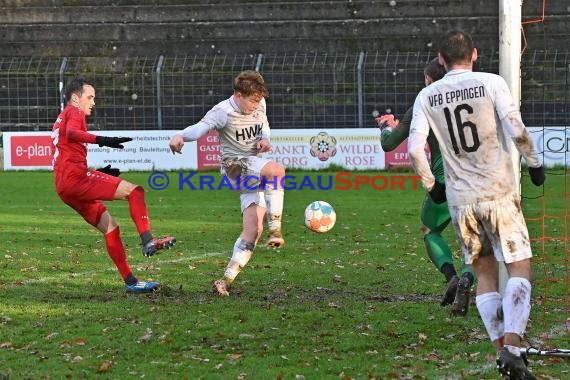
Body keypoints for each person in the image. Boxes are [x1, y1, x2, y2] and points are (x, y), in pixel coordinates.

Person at [408, 30, 544, 379]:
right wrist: (535, 163)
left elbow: (413, 149)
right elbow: (516, 129)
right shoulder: (491, 81)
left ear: (441, 59)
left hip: (460, 201)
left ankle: (503, 353)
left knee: (484, 273)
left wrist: (431, 184)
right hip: (498, 191)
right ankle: (513, 346)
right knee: (519, 266)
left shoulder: (428, 95)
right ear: (475, 54)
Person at [51, 77, 176, 293]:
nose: (93, 102)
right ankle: (148, 240)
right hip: (76, 179)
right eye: (89, 97)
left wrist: (98, 173)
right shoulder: (74, 111)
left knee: (111, 228)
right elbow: (72, 134)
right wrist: (103, 140)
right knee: (135, 191)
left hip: (65, 186)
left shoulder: (61, 118)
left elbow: (66, 151)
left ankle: (131, 282)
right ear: (75, 98)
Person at [169, 70, 285, 296]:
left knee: (252, 230)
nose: (255, 105)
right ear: (238, 95)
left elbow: (264, 125)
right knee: (276, 170)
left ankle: (226, 280)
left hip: (253, 167)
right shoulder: (223, 111)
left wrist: (265, 139)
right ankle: (277, 229)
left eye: (258, 101)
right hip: (235, 167)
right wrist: (180, 135)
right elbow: (200, 128)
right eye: (252, 101)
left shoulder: (258, 105)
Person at [376, 58, 476, 316]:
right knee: (475, 236)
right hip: (479, 176)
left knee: (431, 230)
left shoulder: (425, 100)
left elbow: (390, 144)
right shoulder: (477, 92)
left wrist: (387, 126)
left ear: (429, 80)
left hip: (446, 180)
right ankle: (467, 277)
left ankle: (452, 275)